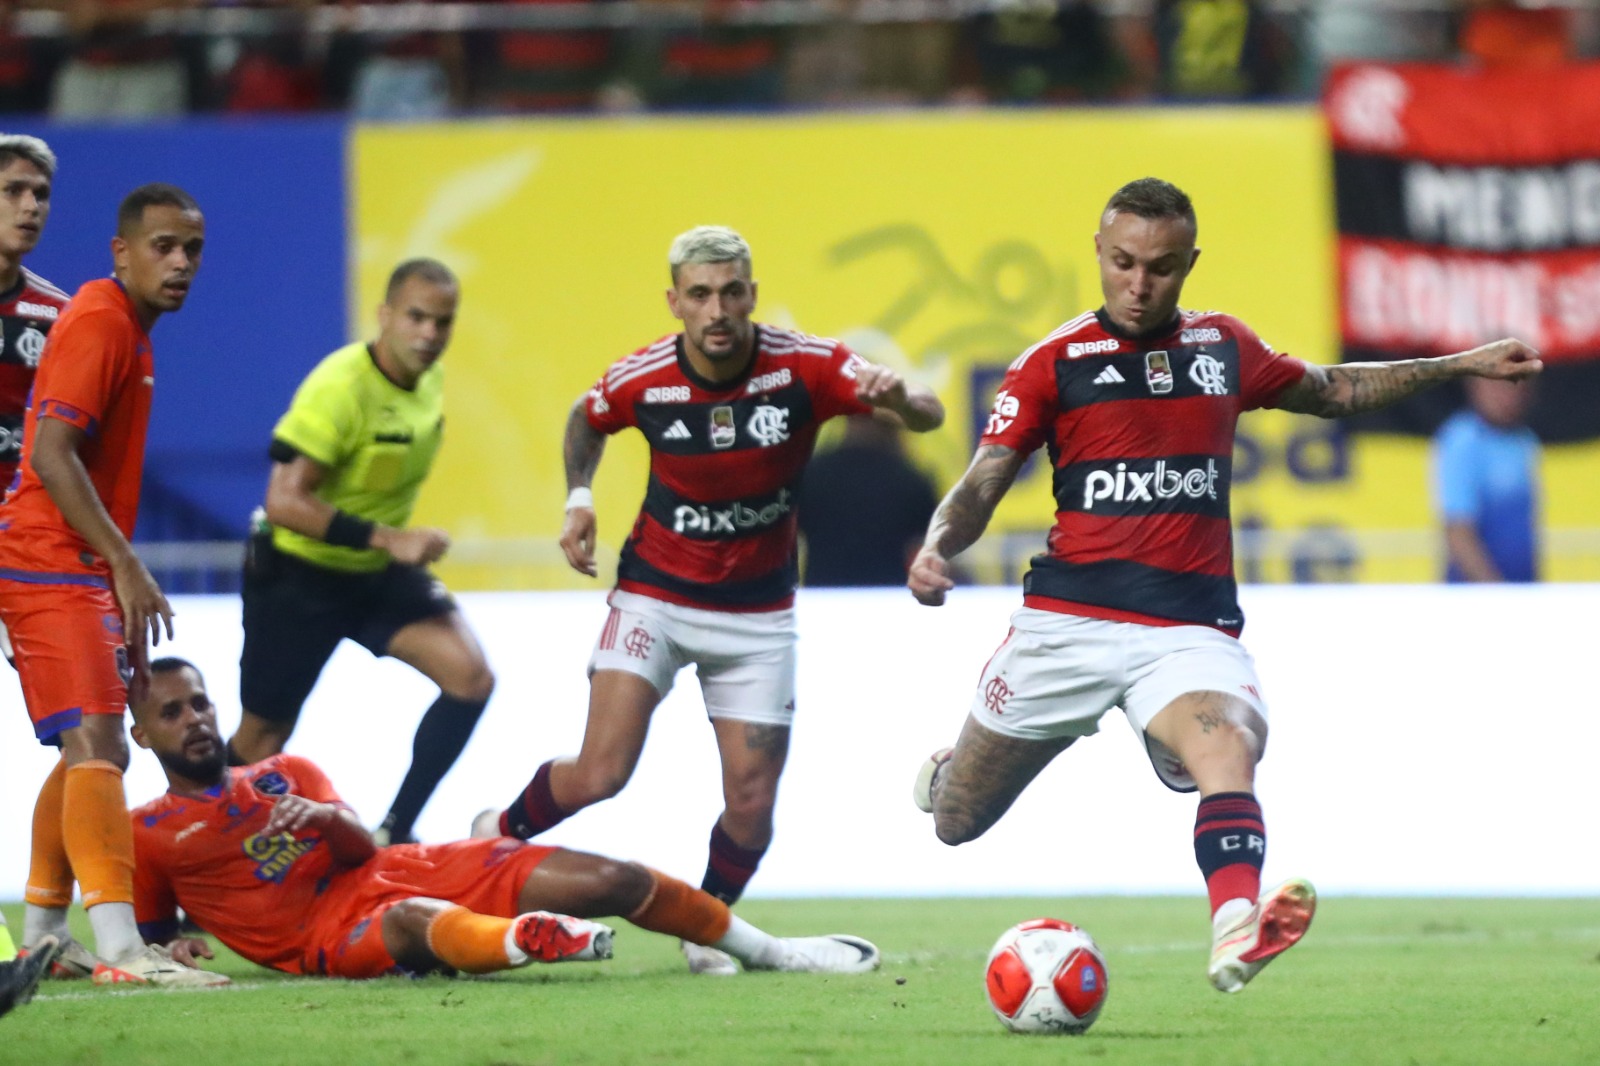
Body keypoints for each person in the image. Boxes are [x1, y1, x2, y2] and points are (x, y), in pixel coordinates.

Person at [906, 177, 1541, 994]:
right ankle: (948, 768)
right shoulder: (1054, 363)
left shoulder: (1221, 348)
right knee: (957, 820)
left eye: (1162, 268)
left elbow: (1333, 390)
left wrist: (1460, 363)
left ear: (1189, 264)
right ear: (1099, 254)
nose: (1141, 285)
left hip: (1187, 627)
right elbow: (985, 480)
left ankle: (1234, 927)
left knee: (1229, 749)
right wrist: (935, 546)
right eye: (1125, 263)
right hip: (1066, 623)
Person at [476, 225, 943, 975]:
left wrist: (903, 400)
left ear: (752, 295)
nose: (717, 309)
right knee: (602, 773)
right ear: (676, 303)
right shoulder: (645, 378)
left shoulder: (805, 366)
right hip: (656, 596)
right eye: (700, 295)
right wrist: (578, 497)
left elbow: (927, 412)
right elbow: (585, 419)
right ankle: (492, 834)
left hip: (758, 615)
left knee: (754, 805)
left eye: (731, 292)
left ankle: (704, 929)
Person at [129, 657, 880, 980]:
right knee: (415, 921)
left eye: (200, 702)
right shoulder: (145, 831)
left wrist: (324, 817)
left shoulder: (283, 772)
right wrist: (175, 947)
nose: (193, 719)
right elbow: (151, 933)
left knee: (611, 877)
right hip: (320, 936)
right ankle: (529, 942)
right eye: (171, 712)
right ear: (142, 735)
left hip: (393, 868)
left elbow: (361, 850)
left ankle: (770, 951)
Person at [0, 183, 223, 987]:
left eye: (192, 249)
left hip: (76, 563)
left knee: (82, 751)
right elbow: (52, 454)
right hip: (46, 560)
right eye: (163, 246)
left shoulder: (127, 327)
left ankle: (45, 938)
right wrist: (124, 561)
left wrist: (114, 569)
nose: (180, 263)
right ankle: (125, 951)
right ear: (120, 251)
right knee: (99, 745)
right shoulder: (99, 321)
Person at [231, 258, 492, 847]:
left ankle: (393, 832)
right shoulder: (341, 388)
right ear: (384, 316)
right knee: (262, 737)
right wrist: (390, 539)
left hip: (373, 575)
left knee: (469, 677)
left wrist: (387, 547)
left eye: (442, 322)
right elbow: (283, 500)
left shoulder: (430, 380)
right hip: (298, 574)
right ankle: (200, 869)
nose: (429, 334)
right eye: (417, 318)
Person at [0, 133, 71, 972]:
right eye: (14, 190)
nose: (30, 208)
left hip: (32, 551)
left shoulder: (58, 319)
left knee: (85, 737)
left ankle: (54, 929)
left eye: (40, 195)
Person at [797, 415, 940, 587]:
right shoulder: (911, 479)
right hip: (888, 599)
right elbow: (933, 547)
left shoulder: (811, 475)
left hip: (825, 598)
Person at [1432, 376, 1540, 583]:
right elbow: (1458, 531)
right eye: (1496, 386)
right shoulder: (1462, 440)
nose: (1507, 396)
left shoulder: (1524, 440)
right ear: (1475, 386)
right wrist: (1494, 592)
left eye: (1514, 385)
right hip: (1475, 594)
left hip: (1522, 587)